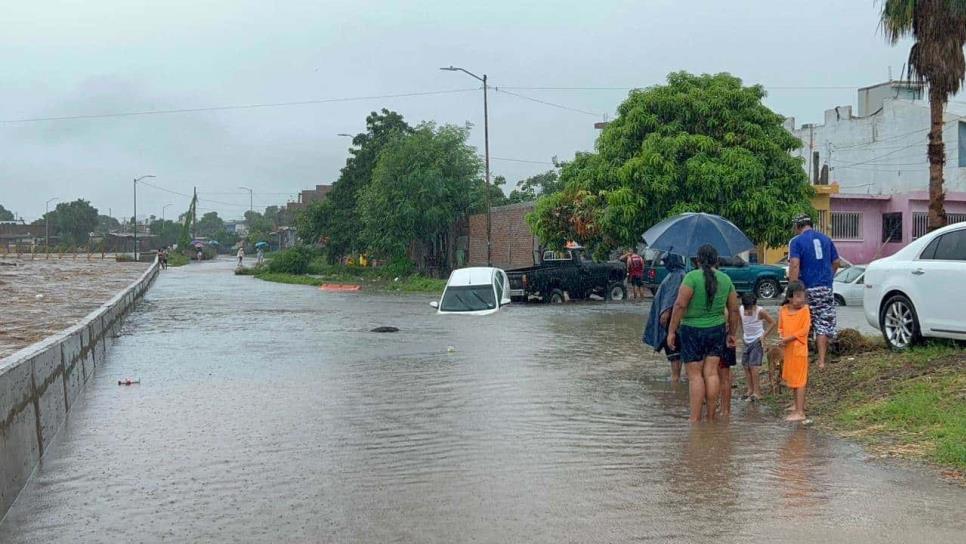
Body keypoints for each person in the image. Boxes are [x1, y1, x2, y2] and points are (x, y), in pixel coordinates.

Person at [667, 244, 741, 422]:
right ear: (716, 260)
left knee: (695, 377)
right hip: (716, 330)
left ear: (697, 260)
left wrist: (671, 331)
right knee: (711, 373)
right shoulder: (725, 279)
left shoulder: (691, 277)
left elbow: (679, 305)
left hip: (691, 330)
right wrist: (732, 333)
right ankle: (711, 417)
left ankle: (694, 420)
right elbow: (734, 310)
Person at [788, 214, 840, 370]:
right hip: (825, 288)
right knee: (823, 324)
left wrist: (792, 288)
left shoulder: (796, 242)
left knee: (804, 322)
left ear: (798, 227)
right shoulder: (826, 239)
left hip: (807, 289)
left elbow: (795, 265)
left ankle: (803, 357)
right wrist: (829, 276)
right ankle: (822, 361)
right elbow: (836, 262)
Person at [643, 253, 687, 383]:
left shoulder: (675, 276)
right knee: (678, 353)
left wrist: (664, 318)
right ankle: (679, 380)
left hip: (672, 322)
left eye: (666, 260)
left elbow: (670, 301)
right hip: (680, 322)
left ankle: (675, 382)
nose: (664, 263)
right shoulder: (682, 274)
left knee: (674, 353)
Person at [779, 281, 811, 422]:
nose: (801, 299)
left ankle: (800, 411)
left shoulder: (805, 310)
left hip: (799, 349)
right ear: (790, 298)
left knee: (800, 380)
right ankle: (796, 405)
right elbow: (780, 327)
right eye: (798, 296)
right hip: (788, 350)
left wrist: (788, 338)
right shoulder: (783, 310)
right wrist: (781, 337)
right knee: (792, 378)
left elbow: (804, 330)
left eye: (802, 296)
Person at [737, 292, 775, 402]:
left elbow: (772, 322)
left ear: (755, 305)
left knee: (753, 367)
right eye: (746, 308)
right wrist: (741, 336)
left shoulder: (760, 311)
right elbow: (741, 322)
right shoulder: (740, 310)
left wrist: (763, 336)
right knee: (745, 366)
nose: (748, 311)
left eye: (751, 308)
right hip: (746, 340)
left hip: (756, 341)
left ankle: (757, 392)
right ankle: (750, 390)